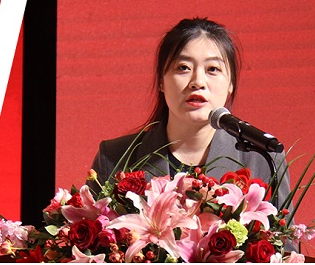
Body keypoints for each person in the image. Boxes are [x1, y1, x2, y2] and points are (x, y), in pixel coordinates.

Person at [90, 17, 290, 205]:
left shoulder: (263, 159)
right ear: (161, 81)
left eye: (212, 69)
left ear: (231, 83)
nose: (198, 82)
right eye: (183, 68)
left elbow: (285, 232)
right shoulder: (114, 157)